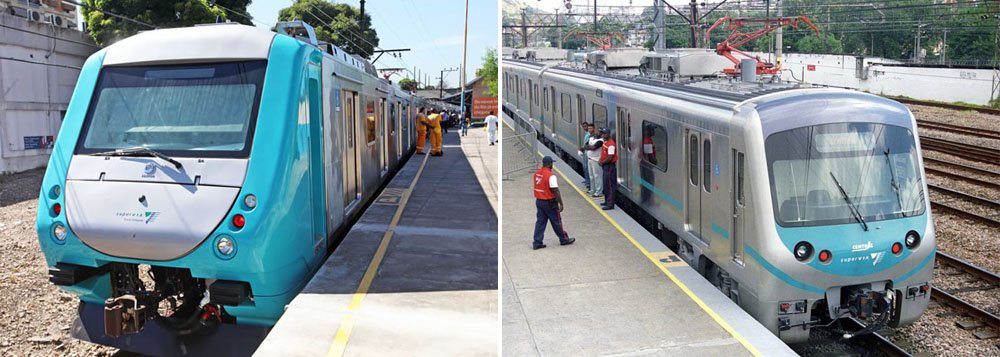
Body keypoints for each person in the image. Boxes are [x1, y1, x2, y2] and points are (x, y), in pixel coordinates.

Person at [532, 156, 575, 250]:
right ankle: (564, 239)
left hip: (539, 201)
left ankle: (537, 242)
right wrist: (561, 203)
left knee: (540, 223)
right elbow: (555, 190)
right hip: (550, 202)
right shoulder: (551, 176)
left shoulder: (537, 173)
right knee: (557, 221)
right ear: (549, 164)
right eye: (552, 163)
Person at [598, 128, 618, 210]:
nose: (603, 135)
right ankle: (606, 200)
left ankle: (610, 204)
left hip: (609, 166)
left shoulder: (611, 144)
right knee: (606, 184)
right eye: (602, 133)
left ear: (608, 134)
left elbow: (610, 157)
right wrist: (600, 160)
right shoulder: (606, 142)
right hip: (606, 166)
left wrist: (602, 162)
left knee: (609, 185)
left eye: (604, 133)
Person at [584, 125, 604, 198]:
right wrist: (589, 147)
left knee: (597, 176)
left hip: (596, 160)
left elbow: (593, 148)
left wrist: (588, 147)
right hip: (590, 159)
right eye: (598, 131)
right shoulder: (591, 138)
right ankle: (592, 190)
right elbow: (585, 146)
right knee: (591, 176)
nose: (598, 133)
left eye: (600, 132)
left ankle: (599, 192)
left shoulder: (601, 141)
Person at [640, 126, 657, 203]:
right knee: (648, 183)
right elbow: (648, 155)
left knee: (646, 183)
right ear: (647, 131)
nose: (653, 131)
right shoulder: (647, 141)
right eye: (652, 130)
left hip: (644, 164)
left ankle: (645, 199)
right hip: (646, 165)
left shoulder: (647, 140)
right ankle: (647, 200)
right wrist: (654, 162)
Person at [576, 122, 592, 189]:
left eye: (586, 126)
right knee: (585, 167)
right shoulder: (587, 134)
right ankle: (587, 180)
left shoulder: (589, 134)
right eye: (584, 127)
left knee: (586, 167)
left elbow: (587, 144)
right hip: (585, 152)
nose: (585, 128)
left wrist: (582, 148)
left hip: (587, 153)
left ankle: (588, 183)